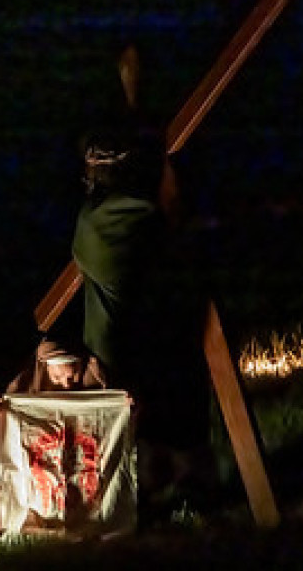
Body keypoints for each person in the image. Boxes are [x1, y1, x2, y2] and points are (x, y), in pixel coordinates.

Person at [72, 43, 212, 524]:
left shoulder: (105, 223)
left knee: (165, 418)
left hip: (138, 349)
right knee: (162, 419)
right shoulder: (114, 224)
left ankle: (176, 491)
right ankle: (163, 494)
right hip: (138, 350)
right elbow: (166, 203)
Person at [0, 338, 97, 537]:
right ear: (45, 371)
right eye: (58, 378)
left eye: (72, 376)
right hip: (34, 468)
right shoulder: (23, 392)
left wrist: (126, 409)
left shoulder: (90, 389)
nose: (66, 385)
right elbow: (4, 441)